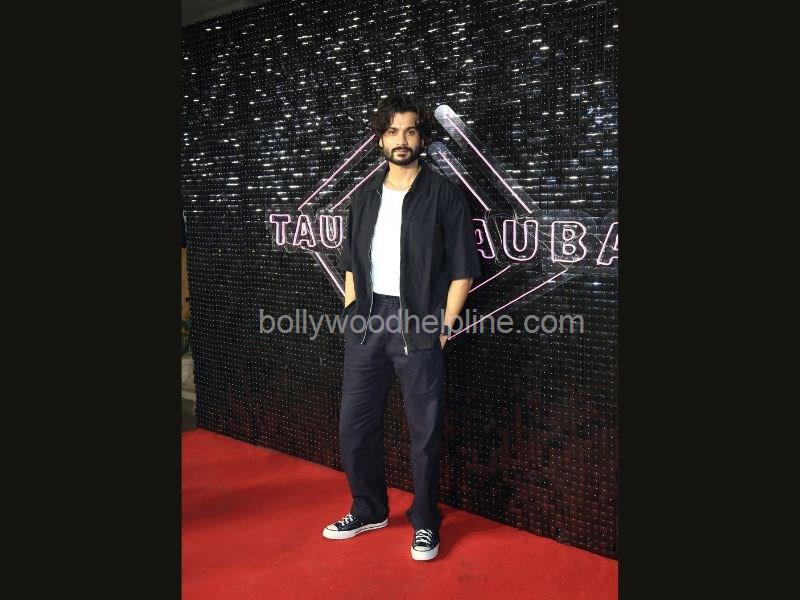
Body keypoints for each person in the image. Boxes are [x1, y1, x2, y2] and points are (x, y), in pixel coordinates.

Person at [323, 93, 483, 561]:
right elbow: (351, 264)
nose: (402, 140)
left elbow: (463, 270)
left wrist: (443, 327)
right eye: (393, 131)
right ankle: (369, 509)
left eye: (410, 130)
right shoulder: (364, 196)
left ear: (422, 139)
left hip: (420, 323)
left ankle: (425, 521)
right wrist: (353, 313)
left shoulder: (444, 195)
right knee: (355, 426)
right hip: (367, 321)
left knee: (424, 434)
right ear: (380, 140)